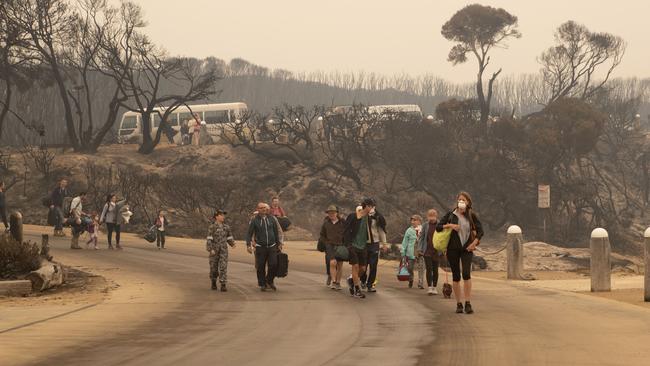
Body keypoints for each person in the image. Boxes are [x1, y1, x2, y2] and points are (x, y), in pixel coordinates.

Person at [436, 192, 484, 314]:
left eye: (464, 200)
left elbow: (480, 231)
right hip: (452, 249)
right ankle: (459, 303)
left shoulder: (471, 215)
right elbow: (438, 227)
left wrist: (474, 243)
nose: (461, 202)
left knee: (466, 274)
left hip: (467, 248)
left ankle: (468, 302)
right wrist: (450, 225)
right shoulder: (451, 215)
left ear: (468, 202)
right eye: (459, 200)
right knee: (456, 276)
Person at [246, 202, 283, 292]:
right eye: (261, 208)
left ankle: (269, 281)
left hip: (272, 246)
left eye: (265, 208)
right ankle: (262, 284)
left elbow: (276, 232)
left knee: (273, 264)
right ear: (258, 209)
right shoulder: (255, 220)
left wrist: (279, 244)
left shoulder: (272, 219)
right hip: (260, 247)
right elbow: (249, 233)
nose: (264, 209)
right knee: (260, 266)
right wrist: (248, 245)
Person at [344, 203, 372, 299]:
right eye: (358, 210)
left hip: (363, 246)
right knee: (355, 266)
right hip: (353, 245)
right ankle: (357, 289)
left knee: (363, 269)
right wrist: (347, 244)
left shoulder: (368, 218)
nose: (359, 212)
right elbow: (346, 230)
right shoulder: (352, 216)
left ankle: (351, 280)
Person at [359, 198, 387, 293]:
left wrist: (384, 244)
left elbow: (381, 230)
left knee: (373, 265)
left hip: (374, 243)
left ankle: (370, 284)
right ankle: (363, 280)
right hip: (363, 243)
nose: (370, 208)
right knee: (363, 265)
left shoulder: (377, 217)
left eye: (371, 206)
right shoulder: (361, 215)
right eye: (368, 206)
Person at [207, 210, 236, 291]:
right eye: (221, 215)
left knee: (223, 267)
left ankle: (223, 284)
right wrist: (210, 249)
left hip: (223, 250)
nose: (223, 217)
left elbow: (229, 237)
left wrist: (232, 244)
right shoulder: (212, 227)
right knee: (214, 268)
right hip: (214, 250)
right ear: (216, 216)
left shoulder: (226, 227)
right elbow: (209, 239)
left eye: (223, 215)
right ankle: (213, 281)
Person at [319, 204, 345, 290]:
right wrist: (326, 243)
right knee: (332, 263)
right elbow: (322, 235)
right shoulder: (326, 223)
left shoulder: (343, 222)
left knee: (340, 265)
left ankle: (338, 282)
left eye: (333, 213)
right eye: (330, 213)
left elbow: (347, 233)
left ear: (337, 213)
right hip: (330, 246)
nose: (331, 214)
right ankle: (334, 281)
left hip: (341, 245)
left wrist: (345, 243)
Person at [418, 209, 440, 295]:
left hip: (436, 251)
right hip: (427, 250)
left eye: (433, 216)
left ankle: (434, 287)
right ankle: (430, 287)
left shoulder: (440, 225)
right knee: (429, 269)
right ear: (427, 216)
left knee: (435, 270)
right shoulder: (425, 225)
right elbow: (421, 237)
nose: (431, 218)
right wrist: (420, 249)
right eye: (430, 216)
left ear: (436, 216)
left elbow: (443, 237)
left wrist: (444, 248)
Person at [401, 215, 422, 288]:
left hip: (420, 252)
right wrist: (403, 251)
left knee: (421, 268)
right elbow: (405, 241)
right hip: (411, 253)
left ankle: (420, 282)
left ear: (419, 221)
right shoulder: (409, 230)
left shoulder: (422, 230)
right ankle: (411, 279)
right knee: (410, 268)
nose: (413, 222)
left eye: (415, 220)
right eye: (412, 220)